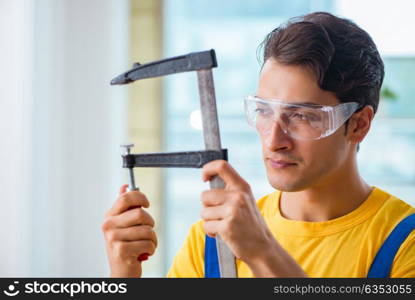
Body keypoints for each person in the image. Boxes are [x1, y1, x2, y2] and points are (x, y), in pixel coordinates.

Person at [102, 12, 415, 278]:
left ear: (359, 124)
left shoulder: (404, 245)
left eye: (302, 116)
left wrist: (261, 251)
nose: (273, 139)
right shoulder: (211, 241)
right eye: (264, 111)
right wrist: (125, 276)